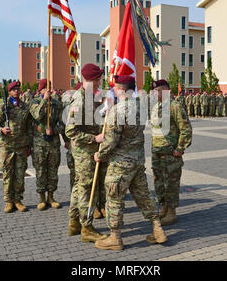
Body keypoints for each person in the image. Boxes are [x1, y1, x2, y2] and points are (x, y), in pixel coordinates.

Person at [93, 76, 167, 251]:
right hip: (137, 162)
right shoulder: (141, 109)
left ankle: (115, 237)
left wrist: (100, 154)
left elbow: (111, 141)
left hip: (120, 164)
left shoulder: (117, 111)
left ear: (120, 89)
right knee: (144, 195)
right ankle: (158, 229)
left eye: (115, 88)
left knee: (114, 199)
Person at [65, 63, 108, 242]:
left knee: (78, 187)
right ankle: (87, 228)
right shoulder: (80, 100)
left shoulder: (90, 96)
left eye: (99, 79)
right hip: (85, 153)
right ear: (87, 80)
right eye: (97, 79)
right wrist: (95, 139)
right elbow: (70, 131)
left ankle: (74, 223)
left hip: (87, 152)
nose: (99, 82)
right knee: (86, 190)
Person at [150, 80, 193, 226]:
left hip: (171, 154)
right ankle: (164, 207)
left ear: (167, 90)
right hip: (157, 153)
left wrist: (180, 149)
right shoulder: (156, 106)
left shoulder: (175, 106)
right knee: (159, 183)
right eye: (155, 91)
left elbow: (186, 129)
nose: (157, 93)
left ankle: (171, 212)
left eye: (160, 90)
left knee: (171, 184)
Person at [0, 81, 32, 213]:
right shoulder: (3, 107)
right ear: (9, 92)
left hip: (21, 146)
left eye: (18, 89)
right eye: (13, 89)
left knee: (20, 175)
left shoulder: (25, 106)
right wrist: (2, 130)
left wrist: (29, 145)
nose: (16, 91)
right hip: (7, 146)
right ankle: (9, 201)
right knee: (7, 174)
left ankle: (18, 200)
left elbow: (29, 128)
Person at [30, 79, 67, 211]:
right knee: (40, 171)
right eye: (46, 88)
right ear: (40, 90)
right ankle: (42, 198)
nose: (49, 90)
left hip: (53, 144)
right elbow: (37, 116)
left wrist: (55, 130)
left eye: (50, 87)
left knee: (53, 171)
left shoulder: (57, 104)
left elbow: (63, 123)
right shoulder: (34, 102)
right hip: (39, 144)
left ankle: (51, 197)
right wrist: (44, 101)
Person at [62, 83, 82, 191]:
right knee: (74, 173)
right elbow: (65, 127)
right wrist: (65, 140)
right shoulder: (70, 107)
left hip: (85, 148)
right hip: (73, 144)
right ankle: (74, 196)